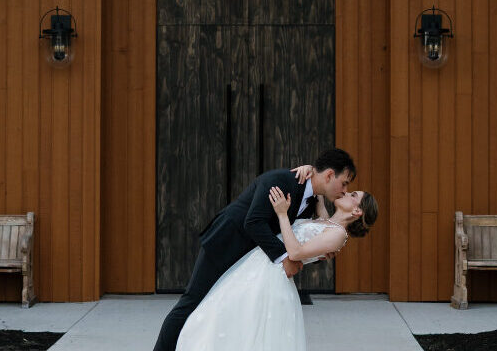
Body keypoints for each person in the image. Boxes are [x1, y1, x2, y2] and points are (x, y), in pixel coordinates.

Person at [152, 148, 357, 351]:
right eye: (345, 183)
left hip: (252, 258)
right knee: (191, 302)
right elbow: (254, 222)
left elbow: (310, 231)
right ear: (330, 175)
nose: (344, 190)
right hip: (226, 244)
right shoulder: (282, 181)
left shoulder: (313, 198)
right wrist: (285, 257)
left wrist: (319, 252)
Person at [174, 183, 378, 350]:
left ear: (357, 210)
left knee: (241, 327)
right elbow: (321, 207)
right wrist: (316, 183)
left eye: (353, 195)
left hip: (271, 279)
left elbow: (296, 252)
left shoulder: (338, 235)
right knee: (221, 319)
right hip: (258, 268)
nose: (346, 192)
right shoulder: (328, 223)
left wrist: (282, 214)